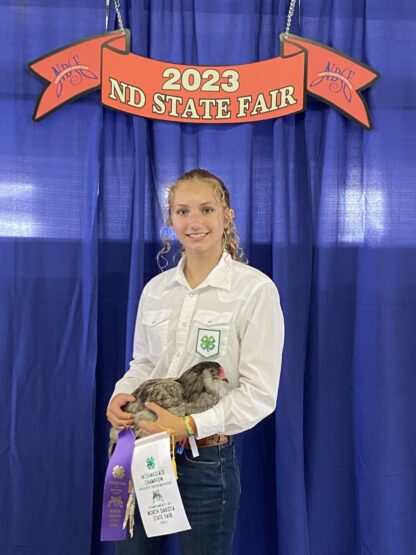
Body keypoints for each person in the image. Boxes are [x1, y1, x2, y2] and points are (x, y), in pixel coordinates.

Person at [106, 168, 284, 555]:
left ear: (227, 216)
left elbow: (259, 393)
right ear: (170, 219)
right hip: (144, 448)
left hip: (207, 460)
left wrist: (187, 424)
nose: (194, 221)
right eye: (182, 211)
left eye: (206, 209)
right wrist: (121, 395)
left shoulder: (255, 290)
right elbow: (145, 362)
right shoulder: (156, 290)